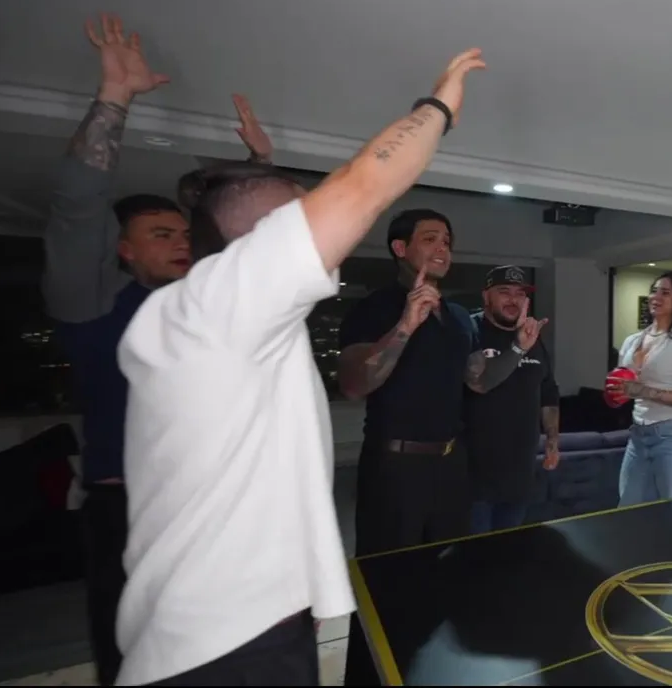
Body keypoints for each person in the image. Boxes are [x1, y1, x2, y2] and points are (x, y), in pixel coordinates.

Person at [113, 47, 489, 686]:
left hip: (256, 616)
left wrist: (260, 167)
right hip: (217, 638)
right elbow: (361, 188)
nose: (318, 224)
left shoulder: (226, 317)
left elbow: (238, 234)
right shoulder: (210, 310)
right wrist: (438, 109)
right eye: (298, 213)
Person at [40, 13, 271, 687]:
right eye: (161, 234)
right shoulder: (92, 306)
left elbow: (252, 249)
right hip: (131, 511)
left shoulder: (200, 304)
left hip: (213, 503)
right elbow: (77, 206)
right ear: (123, 249)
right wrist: (115, 96)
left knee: (228, 652)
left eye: (184, 233)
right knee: (140, 664)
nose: (180, 242)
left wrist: (258, 170)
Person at [337, 218, 549, 555]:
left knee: (449, 565)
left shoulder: (458, 317)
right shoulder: (375, 308)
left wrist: (518, 348)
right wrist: (406, 326)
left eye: (447, 241)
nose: (442, 248)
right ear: (400, 248)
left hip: (451, 465)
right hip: (395, 465)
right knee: (389, 571)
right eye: (430, 239)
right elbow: (352, 385)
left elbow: (479, 381)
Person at [464, 265, 561, 534]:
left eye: (520, 294)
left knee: (508, 548)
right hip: (473, 474)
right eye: (504, 292)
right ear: (486, 296)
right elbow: (478, 383)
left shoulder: (532, 338)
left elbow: (548, 392)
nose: (513, 300)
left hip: (519, 473)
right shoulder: (470, 329)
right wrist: (518, 348)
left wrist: (552, 440)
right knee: (474, 552)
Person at [608, 271, 672, 506]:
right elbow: (626, 385)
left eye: (665, 292)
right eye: (654, 291)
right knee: (629, 509)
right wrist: (618, 391)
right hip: (639, 435)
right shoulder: (632, 341)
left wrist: (641, 391)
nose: (656, 297)